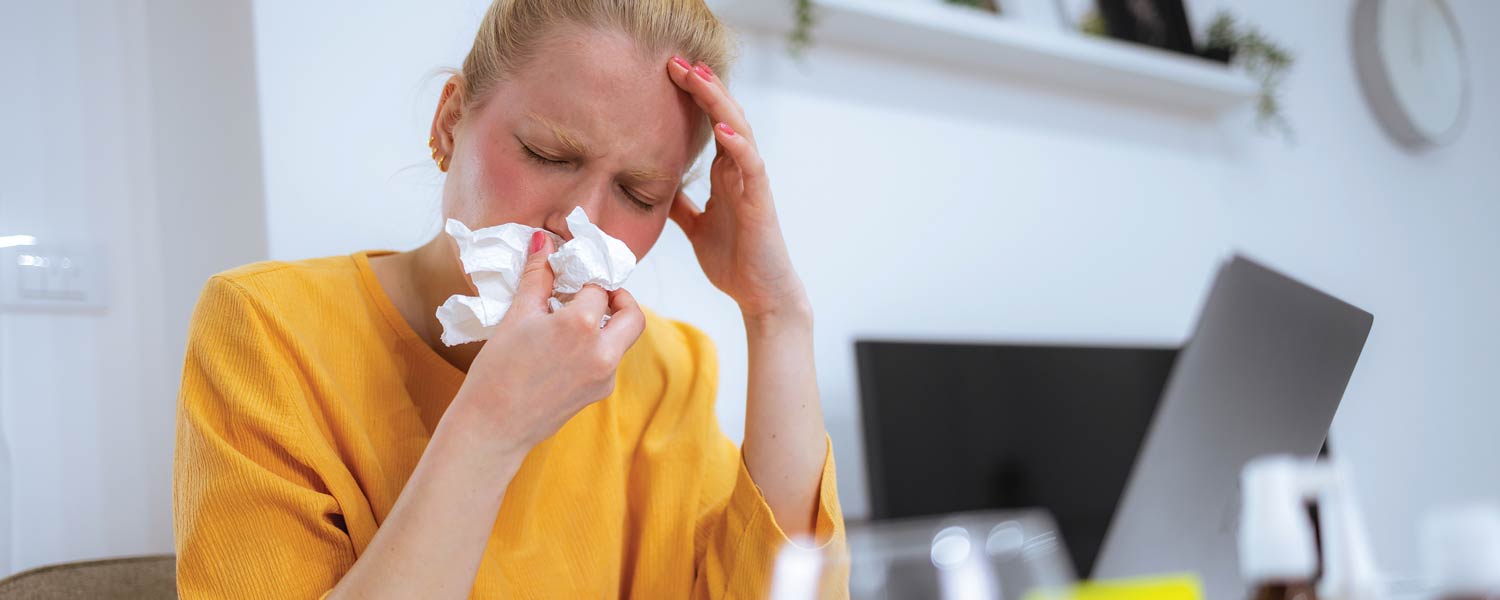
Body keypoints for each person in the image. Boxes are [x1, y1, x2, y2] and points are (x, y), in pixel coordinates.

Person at [172, 0, 846, 598]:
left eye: (638, 193)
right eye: (547, 154)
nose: (578, 221)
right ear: (450, 121)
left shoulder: (668, 369)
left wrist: (776, 314)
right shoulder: (268, 329)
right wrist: (491, 426)